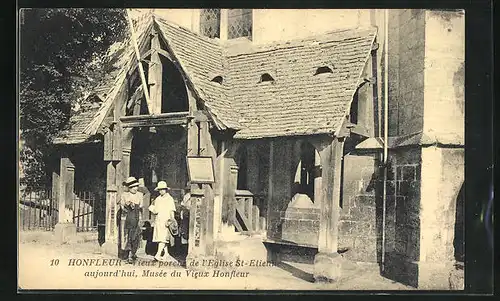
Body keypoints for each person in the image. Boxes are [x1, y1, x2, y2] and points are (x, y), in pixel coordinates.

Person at [148, 181, 177, 261]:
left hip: (166, 220)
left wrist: (172, 220)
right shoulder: (158, 199)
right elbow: (155, 211)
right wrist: (151, 207)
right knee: (161, 238)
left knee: (163, 238)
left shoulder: (169, 199)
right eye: (160, 190)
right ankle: (166, 253)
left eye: (163, 189)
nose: (161, 191)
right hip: (159, 220)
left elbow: (172, 210)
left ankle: (158, 254)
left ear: (166, 189)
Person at [118, 176, 143, 264]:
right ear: (129, 187)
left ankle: (133, 253)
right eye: (132, 187)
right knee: (126, 236)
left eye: (136, 186)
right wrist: (127, 205)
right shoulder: (124, 195)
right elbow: (122, 207)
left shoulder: (140, 195)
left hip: (136, 218)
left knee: (135, 236)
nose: (135, 188)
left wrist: (140, 219)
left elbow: (140, 208)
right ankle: (127, 254)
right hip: (126, 219)